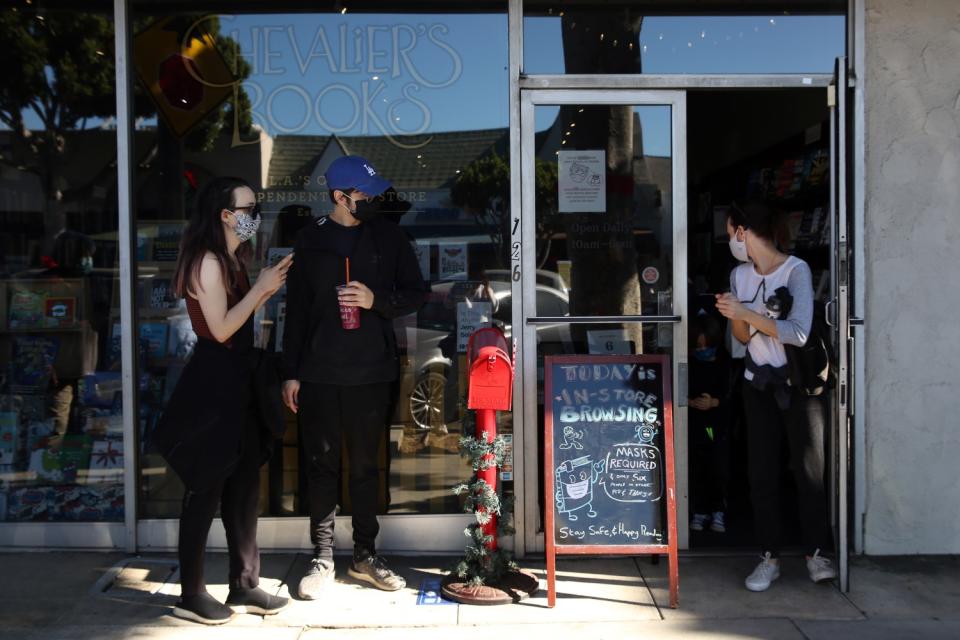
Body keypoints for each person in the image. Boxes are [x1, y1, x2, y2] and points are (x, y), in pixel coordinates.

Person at [282, 156, 427, 599]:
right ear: (339, 197)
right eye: (363, 193)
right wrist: (291, 373)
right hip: (320, 372)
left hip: (372, 371)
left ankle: (365, 554)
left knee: (366, 467)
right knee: (320, 466)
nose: (371, 199)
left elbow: (416, 294)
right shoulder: (309, 241)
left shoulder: (389, 236)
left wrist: (375, 300)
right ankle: (322, 557)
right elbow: (297, 315)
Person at [154, 177, 293, 624]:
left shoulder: (232, 258)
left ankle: (245, 584)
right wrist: (261, 290)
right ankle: (191, 593)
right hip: (215, 385)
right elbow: (218, 330)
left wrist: (260, 291)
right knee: (205, 488)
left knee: (244, 486)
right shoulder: (208, 262)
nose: (256, 213)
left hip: (238, 381)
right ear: (225, 215)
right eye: (249, 207)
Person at [715, 200, 836, 592]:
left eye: (731, 230)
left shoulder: (796, 270)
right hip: (758, 383)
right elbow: (741, 339)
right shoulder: (739, 276)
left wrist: (748, 314)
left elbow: (798, 332)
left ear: (744, 232)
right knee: (761, 472)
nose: (729, 238)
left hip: (799, 386)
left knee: (808, 470)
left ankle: (818, 553)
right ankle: (768, 557)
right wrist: (740, 316)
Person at [687, 312, 731, 535]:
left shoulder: (725, 363)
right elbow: (677, 386)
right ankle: (700, 510)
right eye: (698, 347)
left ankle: (718, 510)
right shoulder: (689, 363)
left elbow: (733, 394)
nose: (702, 351)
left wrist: (715, 402)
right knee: (696, 467)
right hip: (693, 421)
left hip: (716, 424)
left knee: (717, 466)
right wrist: (689, 401)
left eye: (706, 346)